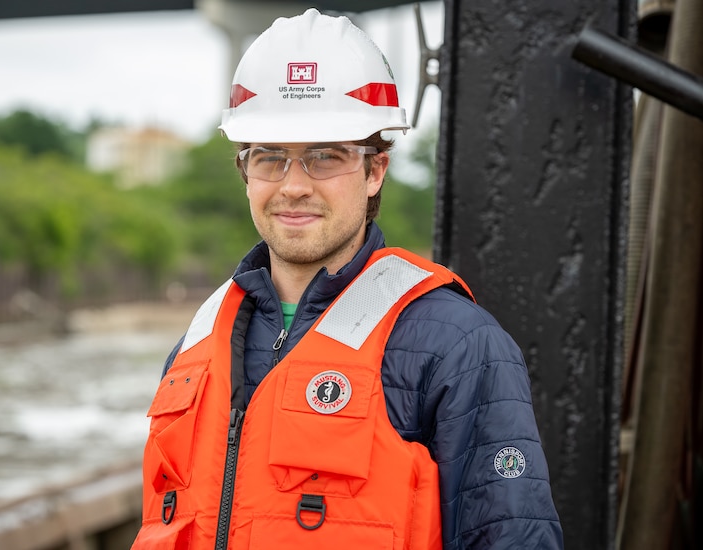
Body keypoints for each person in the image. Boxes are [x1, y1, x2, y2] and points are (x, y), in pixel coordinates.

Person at [132, 8, 564, 550]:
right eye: (269, 157)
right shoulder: (196, 343)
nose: (292, 186)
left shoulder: (455, 344)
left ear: (374, 170)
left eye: (324, 157)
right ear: (245, 171)